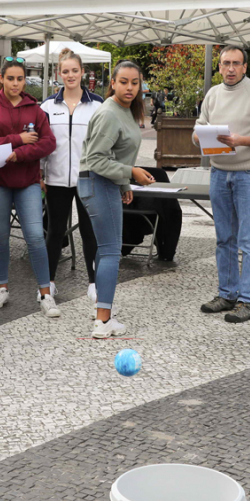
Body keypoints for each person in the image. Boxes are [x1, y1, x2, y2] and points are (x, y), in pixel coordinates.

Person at [194, 45, 250, 323]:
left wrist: (241, 140)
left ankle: (249, 301)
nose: (230, 68)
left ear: (245, 67)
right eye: (225, 63)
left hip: (249, 175)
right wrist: (199, 137)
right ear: (219, 67)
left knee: (249, 240)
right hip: (219, 173)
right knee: (224, 239)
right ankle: (227, 294)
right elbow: (199, 126)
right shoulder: (213, 94)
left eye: (236, 64)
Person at [0, 58, 60, 318]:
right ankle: (2, 287)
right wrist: (17, 140)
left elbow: (49, 143)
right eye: (10, 78)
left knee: (36, 236)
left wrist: (20, 153)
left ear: (25, 80)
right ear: (1, 78)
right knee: (0, 235)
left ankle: (46, 293)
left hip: (27, 182)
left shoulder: (34, 109)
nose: (15, 83)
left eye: (20, 78)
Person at [79, 60, 154, 338]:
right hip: (97, 183)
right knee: (111, 251)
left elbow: (115, 154)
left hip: (105, 184)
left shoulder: (125, 111)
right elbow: (97, 159)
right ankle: (102, 321)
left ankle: (102, 312)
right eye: (124, 81)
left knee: (105, 250)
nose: (130, 87)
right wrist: (131, 172)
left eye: (135, 82)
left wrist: (124, 183)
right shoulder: (110, 113)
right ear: (112, 82)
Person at [40, 48, 103, 305]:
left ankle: (94, 283)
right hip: (55, 180)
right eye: (65, 71)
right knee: (55, 231)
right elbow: (42, 143)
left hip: (88, 179)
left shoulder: (98, 104)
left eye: (74, 70)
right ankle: (49, 284)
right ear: (59, 74)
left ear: (82, 72)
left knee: (90, 231)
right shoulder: (47, 106)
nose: (70, 75)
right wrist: (40, 172)